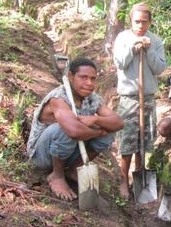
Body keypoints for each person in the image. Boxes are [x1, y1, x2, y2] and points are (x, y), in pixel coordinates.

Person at [27, 57, 124, 201]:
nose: (89, 83)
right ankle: (57, 176)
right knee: (64, 129)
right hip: (42, 155)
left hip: (67, 152)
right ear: (71, 76)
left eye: (93, 78)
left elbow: (118, 122)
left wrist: (96, 119)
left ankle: (74, 169)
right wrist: (98, 131)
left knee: (108, 132)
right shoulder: (58, 98)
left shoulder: (92, 98)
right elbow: (74, 131)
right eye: (83, 77)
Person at [113, 2, 167, 200]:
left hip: (149, 97)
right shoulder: (122, 38)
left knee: (144, 139)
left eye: (144, 22)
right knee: (128, 141)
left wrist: (149, 50)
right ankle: (123, 181)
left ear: (150, 22)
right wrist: (133, 49)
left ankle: (141, 173)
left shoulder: (156, 41)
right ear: (131, 21)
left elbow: (160, 68)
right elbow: (119, 62)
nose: (140, 26)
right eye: (137, 22)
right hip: (129, 98)